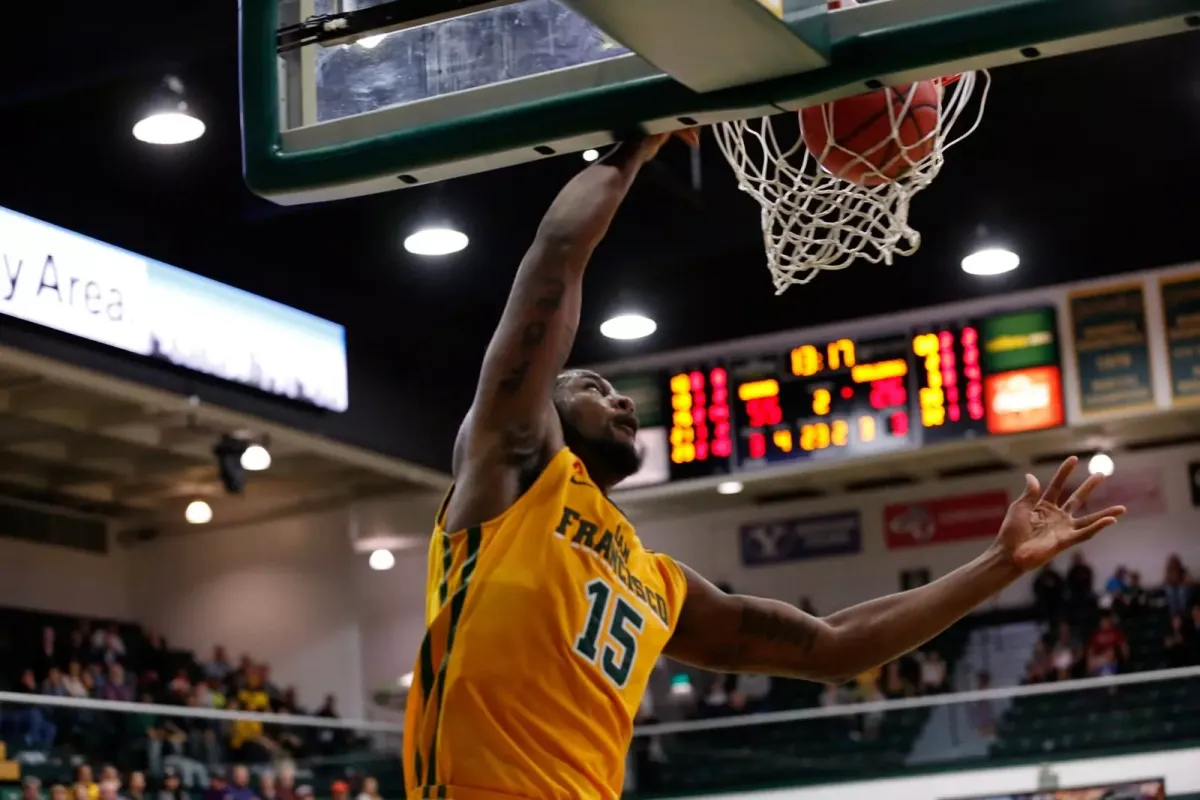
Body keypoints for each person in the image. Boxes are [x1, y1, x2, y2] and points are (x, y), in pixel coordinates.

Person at [401, 132, 1127, 800]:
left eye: (616, 389)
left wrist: (999, 564)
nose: (619, 398)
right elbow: (557, 256)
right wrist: (638, 142)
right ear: (541, 412)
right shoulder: (514, 474)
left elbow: (835, 648)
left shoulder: (657, 583)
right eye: (591, 387)